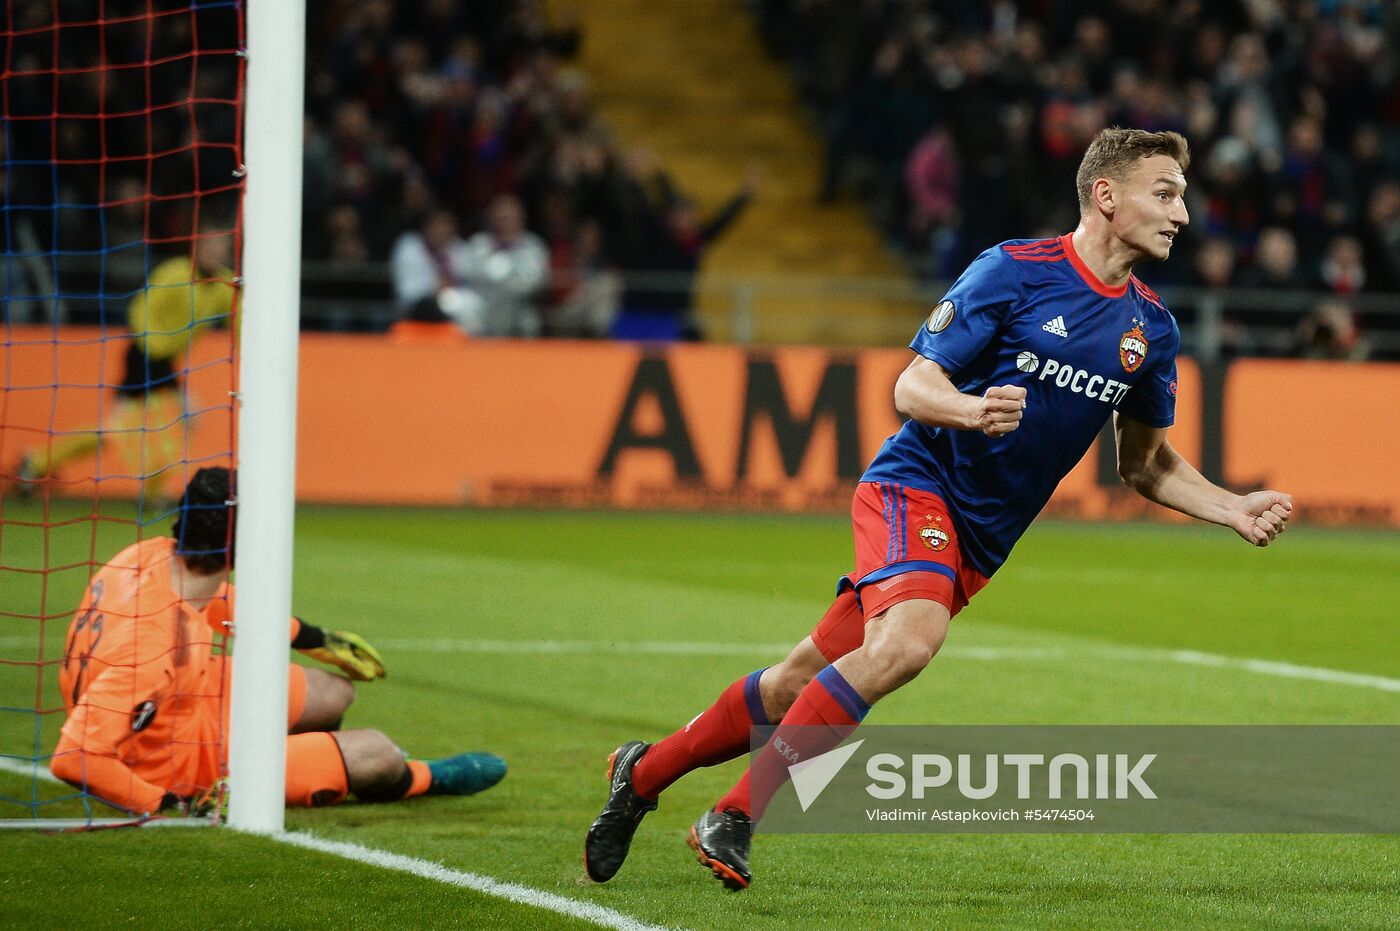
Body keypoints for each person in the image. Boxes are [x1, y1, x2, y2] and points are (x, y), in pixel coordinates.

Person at [583, 127, 1293, 890]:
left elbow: (1144, 463)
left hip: (978, 545)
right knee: (910, 643)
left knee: (795, 683)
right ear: (1106, 195)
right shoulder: (1014, 271)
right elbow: (912, 386)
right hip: (913, 486)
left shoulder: (1150, 328)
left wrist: (1231, 507)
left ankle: (643, 771)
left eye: (1182, 197)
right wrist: (970, 408)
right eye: (1165, 193)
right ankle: (737, 813)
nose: (1181, 213)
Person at [50, 467, 506, 817]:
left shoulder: (147, 556)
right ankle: (415, 778)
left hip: (184, 704)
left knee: (334, 691)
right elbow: (75, 758)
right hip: (170, 762)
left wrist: (312, 638)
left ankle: (312, 758)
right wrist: (170, 804)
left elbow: (215, 600)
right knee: (379, 753)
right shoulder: (156, 647)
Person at [15, 225, 238, 507]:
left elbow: (237, 309)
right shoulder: (175, 274)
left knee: (121, 430)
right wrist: (153, 348)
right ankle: (38, 463)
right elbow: (141, 309)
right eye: (210, 246)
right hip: (144, 357)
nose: (216, 252)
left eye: (221, 247)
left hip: (165, 362)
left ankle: (35, 462)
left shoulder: (221, 283)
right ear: (197, 248)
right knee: (181, 418)